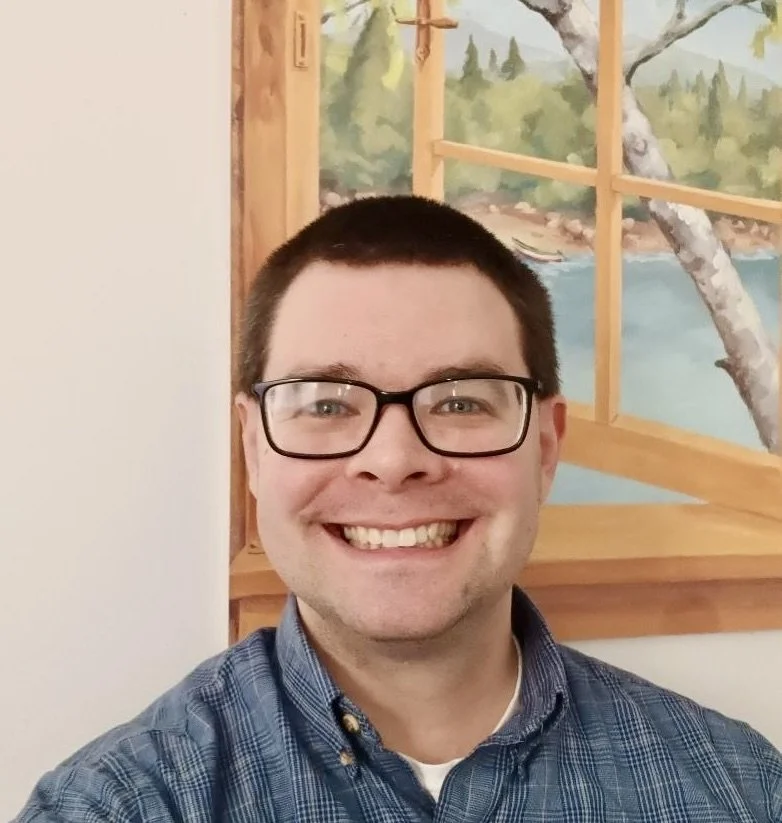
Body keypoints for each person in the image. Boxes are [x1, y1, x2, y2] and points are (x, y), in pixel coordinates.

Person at [14, 195, 782, 822]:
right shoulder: (116, 805)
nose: (391, 459)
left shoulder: (741, 788)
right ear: (253, 447)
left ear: (545, 447)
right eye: (325, 404)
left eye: (458, 400)